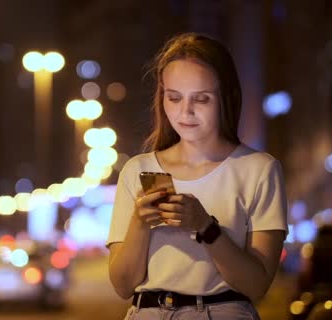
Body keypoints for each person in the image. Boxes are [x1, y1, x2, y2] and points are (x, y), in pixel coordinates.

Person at [106, 33, 288, 320]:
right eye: (174, 98)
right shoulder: (138, 170)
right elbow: (122, 284)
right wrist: (139, 223)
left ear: (226, 97)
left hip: (222, 311)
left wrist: (206, 227)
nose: (185, 112)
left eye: (201, 99)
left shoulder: (258, 169)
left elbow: (256, 285)